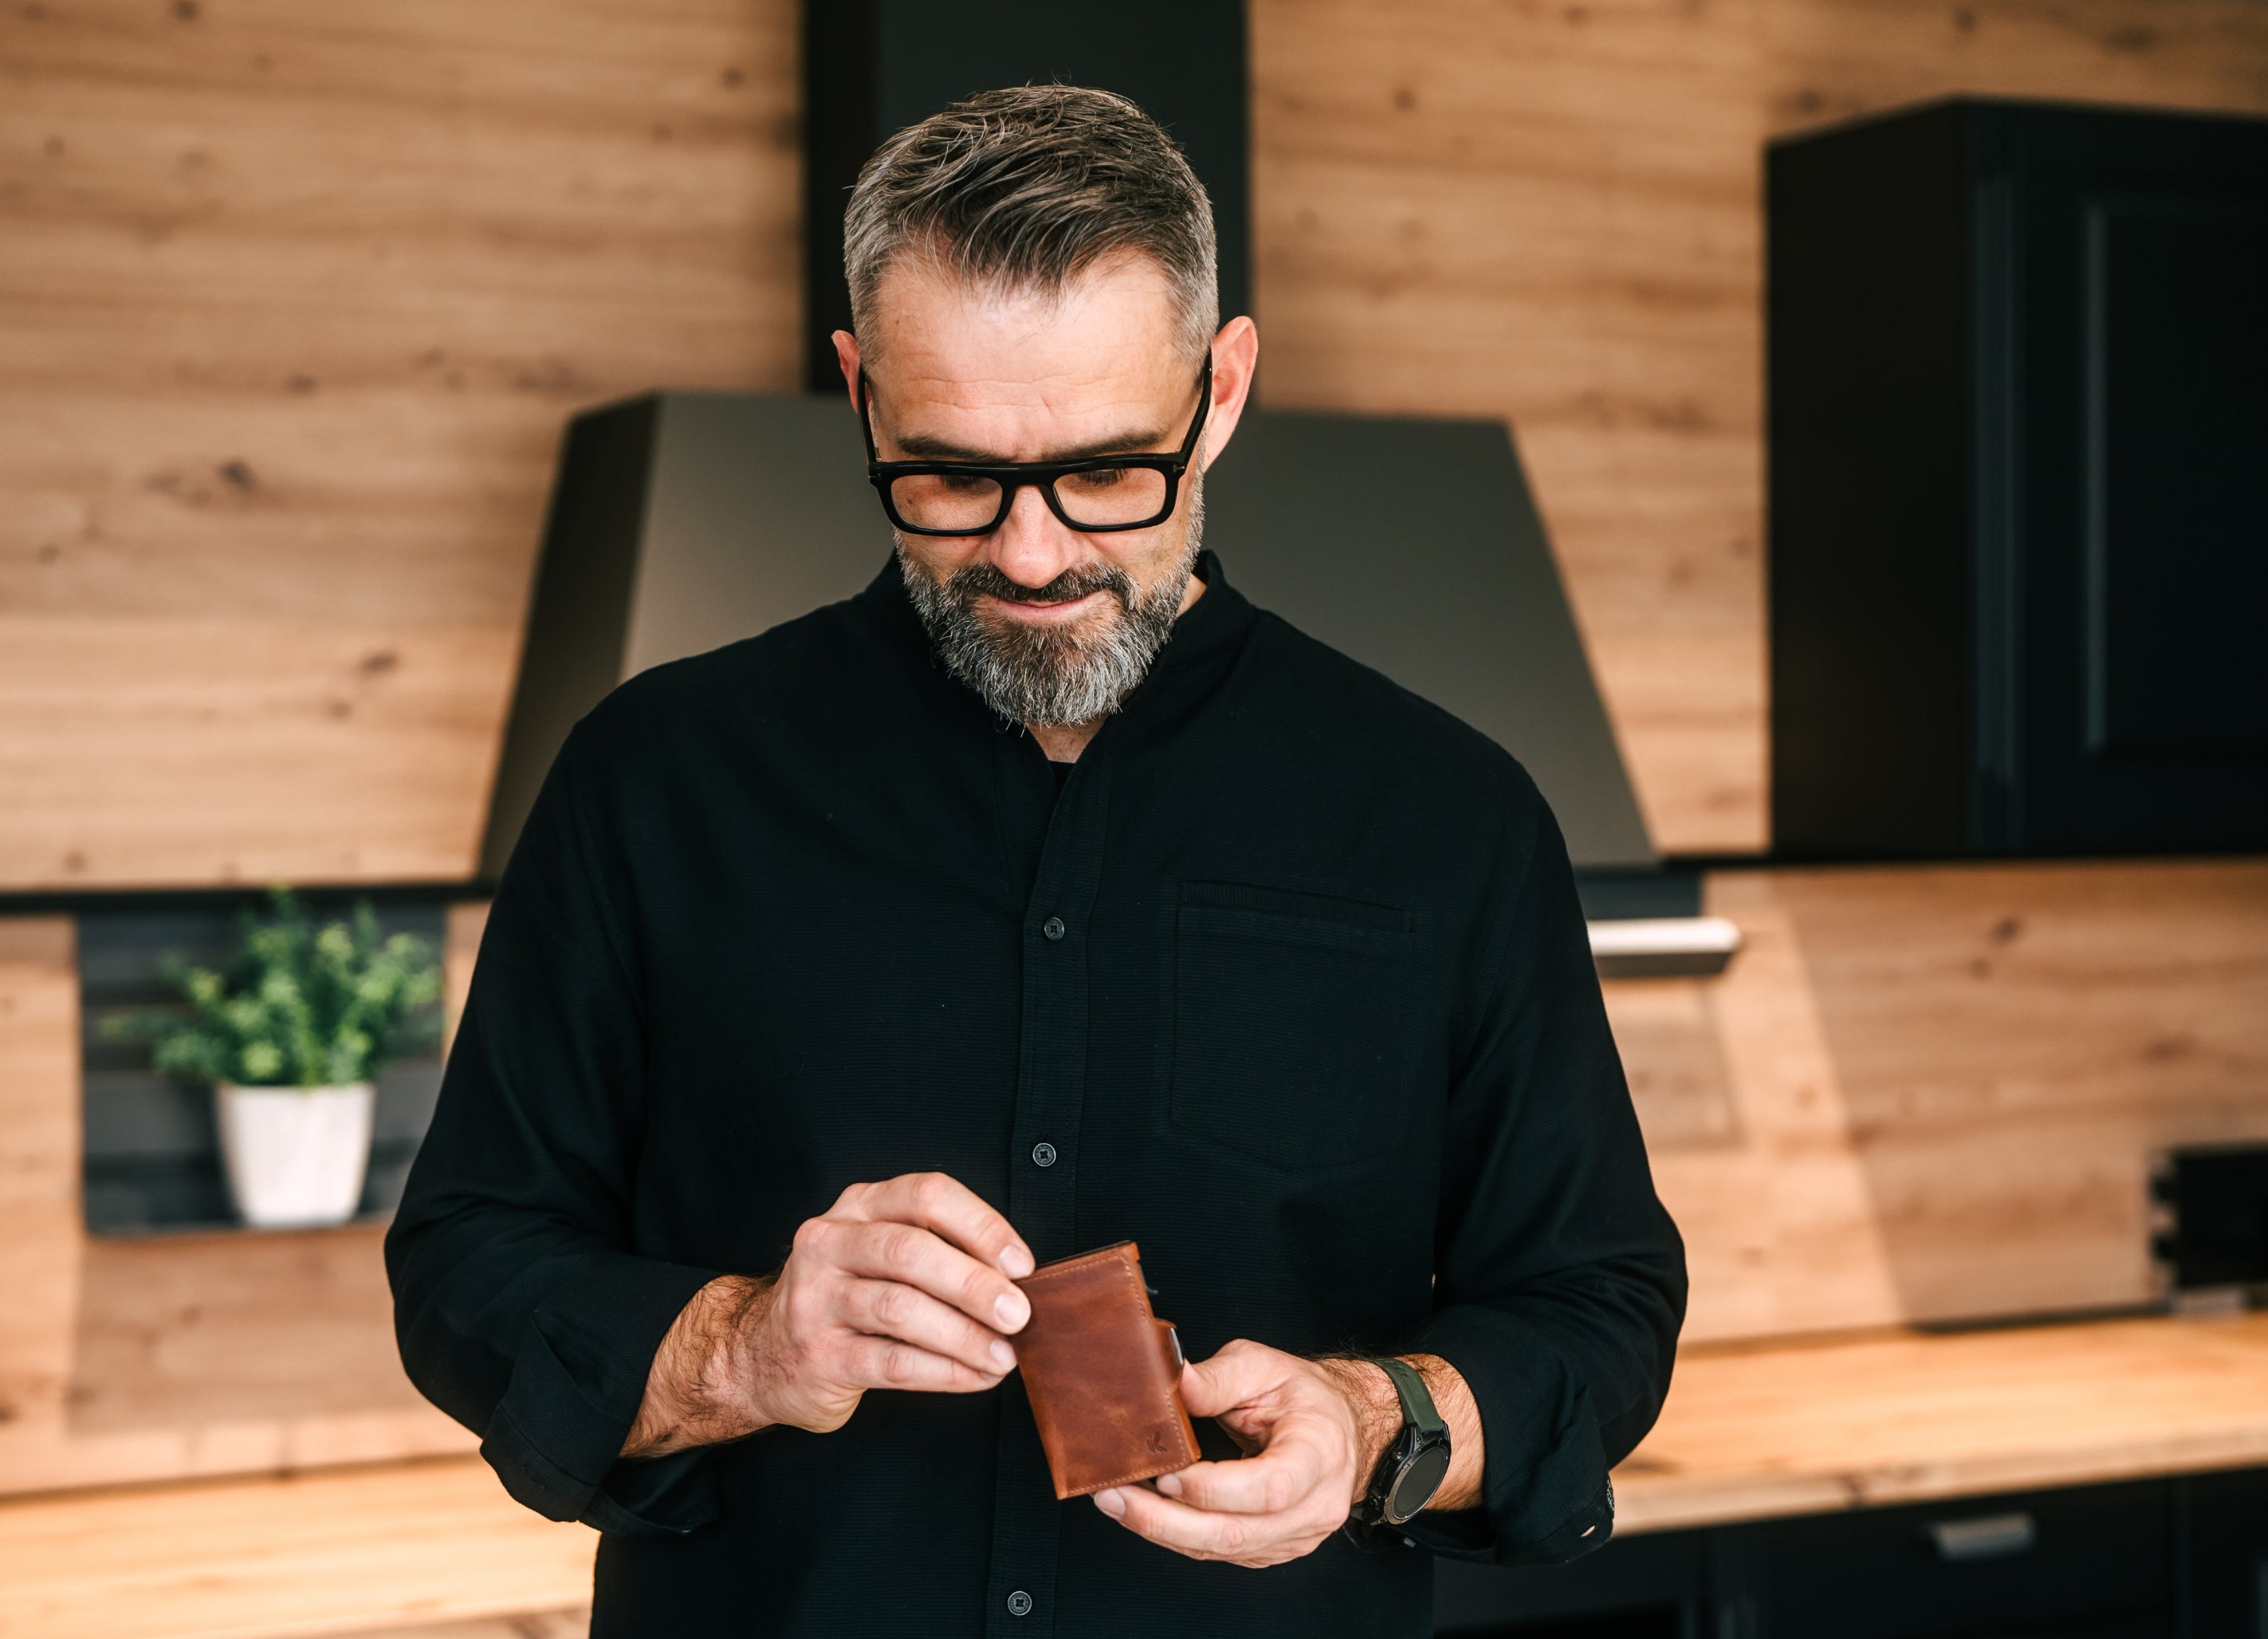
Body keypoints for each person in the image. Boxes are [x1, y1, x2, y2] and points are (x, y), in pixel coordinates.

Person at [387, 84, 1685, 1637]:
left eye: (1103, 473)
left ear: (1223, 389)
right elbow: (466, 1266)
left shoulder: (1448, 817)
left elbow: (1597, 1313)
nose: (1030, 551)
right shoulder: (654, 779)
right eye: (952, 476)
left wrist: (1373, 1421)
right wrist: (743, 1347)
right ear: (861, 395)